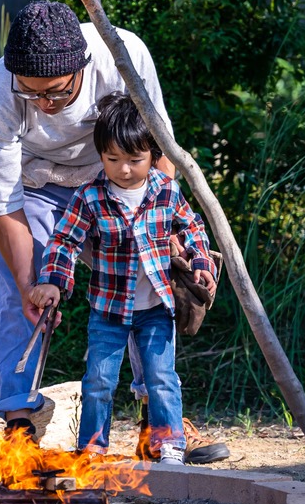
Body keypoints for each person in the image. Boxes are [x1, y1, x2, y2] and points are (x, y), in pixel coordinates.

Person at [0, 0, 229, 462]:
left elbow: (159, 144)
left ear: (82, 66)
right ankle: (18, 428)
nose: (44, 104)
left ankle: (158, 423)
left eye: (57, 92)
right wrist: (32, 286)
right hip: (36, 185)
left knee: (145, 281)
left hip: (118, 177)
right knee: (16, 292)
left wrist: (165, 225)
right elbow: (4, 204)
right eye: (31, 93)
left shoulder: (121, 54)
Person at [27, 92, 216, 463]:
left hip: (157, 309)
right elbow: (65, 240)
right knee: (98, 381)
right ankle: (92, 450)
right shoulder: (91, 196)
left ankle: (169, 445)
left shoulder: (166, 190)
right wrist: (53, 280)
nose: (124, 169)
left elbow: (193, 227)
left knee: (162, 378)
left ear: (153, 156)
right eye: (113, 159)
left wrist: (202, 262)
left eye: (135, 160)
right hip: (108, 310)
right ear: (100, 155)